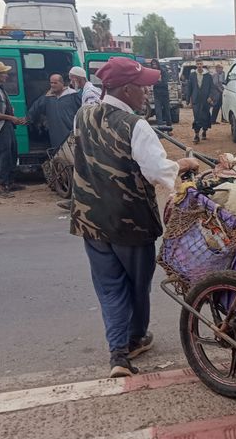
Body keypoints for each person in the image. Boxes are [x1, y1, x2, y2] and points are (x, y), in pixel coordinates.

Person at [70, 57, 199, 378]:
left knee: (110, 288)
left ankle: (118, 354)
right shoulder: (136, 126)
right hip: (130, 222)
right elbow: (157, 170)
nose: (146, 93)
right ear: (126, 90)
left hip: (90, 220)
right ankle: (136, 338)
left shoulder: (83, 114)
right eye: (142, 88)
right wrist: (183, 165)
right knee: (137, 286)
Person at [0, 62, 26, 198]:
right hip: (0, 126)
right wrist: (11, 118)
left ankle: (10, 182)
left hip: (5, 125)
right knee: (4, 155)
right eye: (4, 73)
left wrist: (11, 119)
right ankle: (2, 186)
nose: (6, 75)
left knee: (12, 153)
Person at [26, 74, 81, 150]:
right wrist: (27, 119)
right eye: (51, 83)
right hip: (56, 135)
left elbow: (84, 109)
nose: (52, 85)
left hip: (71, 132)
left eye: (55, 83)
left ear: (62, 83)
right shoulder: (47, 98)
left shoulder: (73, 95)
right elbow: (36, 108)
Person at [186, 60, 213, 144]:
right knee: (197, 117)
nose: (199, 65)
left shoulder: (208, 76)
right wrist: (187, 100)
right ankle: (196, 135)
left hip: (205, 100)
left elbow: (212, 87)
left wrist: (210, 97)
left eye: (200, 64)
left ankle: (204, 130)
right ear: (196, 65)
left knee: (205, 116)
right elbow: (189, 87)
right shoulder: (192, 75)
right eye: (197, 64)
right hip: (196, 99)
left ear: (203, 65)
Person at [150, 59, 172, 125]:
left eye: (155, 64)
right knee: (158, 112)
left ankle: (169, 128)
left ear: (158, 64)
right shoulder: (152, 72)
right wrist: (157, 81)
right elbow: (151, 83)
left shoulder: (163, 71)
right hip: (157, 95)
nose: (154, 66)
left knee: (167, 112)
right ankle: (160, 129)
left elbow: (165, 84)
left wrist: (156, 83)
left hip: (164, 95)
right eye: (153, 65)